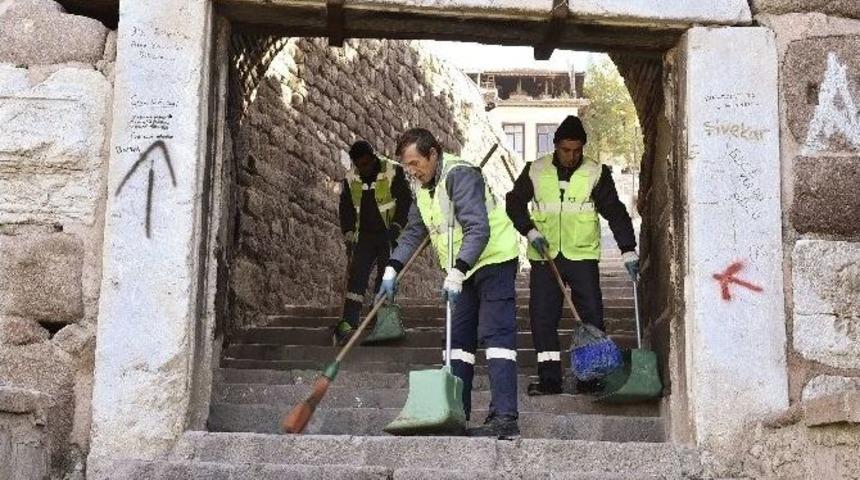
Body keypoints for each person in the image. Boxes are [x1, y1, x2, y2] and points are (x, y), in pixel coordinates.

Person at [378, 128, 521, 438]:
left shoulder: (461, 175)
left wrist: (457, 271)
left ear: (434, 154)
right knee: (457, 345)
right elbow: (416, 231)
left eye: (416, 163)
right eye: (407, 166)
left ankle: (505, 419)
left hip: (493, 261)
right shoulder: (421, 188)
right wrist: (392, 267)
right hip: (462, 270)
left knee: (497, 338)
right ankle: (456, 413)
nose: (412, 171)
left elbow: (478, 229)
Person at [505, 115, 639, 396]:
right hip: (545, 256)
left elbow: (614, 211)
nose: (571, 156)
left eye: (577, 150)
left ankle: (589, 378)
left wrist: (627, 249)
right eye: (566, 150)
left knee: (591, 315)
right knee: (543, 317)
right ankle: (550, 379)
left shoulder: (595, 172)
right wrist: (529, 232)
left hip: (582, 257)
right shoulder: (535, 170)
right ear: (556, 146)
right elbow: (514, 203)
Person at [333, 140, 411, 346]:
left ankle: (381, 321)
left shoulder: (393, 171)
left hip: (387, 232)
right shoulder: (351, 179)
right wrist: (348, 232)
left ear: (373, 157)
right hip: (364, 236)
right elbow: (346, 207)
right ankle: (349, 321)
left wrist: (397, 227)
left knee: (384, 277)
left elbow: (405, 201)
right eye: (360, 165)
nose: (365, 168)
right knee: (356, 277)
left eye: (367, 163)